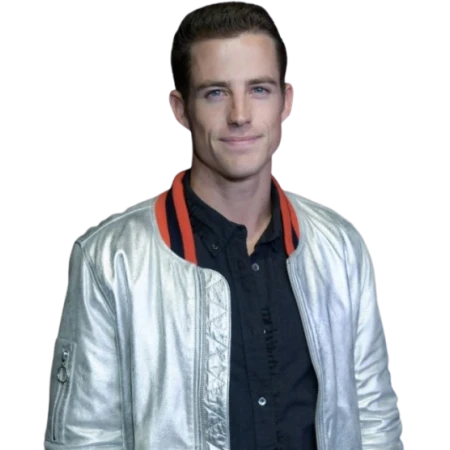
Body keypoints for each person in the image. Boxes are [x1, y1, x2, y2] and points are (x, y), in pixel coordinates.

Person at [43, 1, 404, 449]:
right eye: (216, 92)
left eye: (259, 89)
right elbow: (85, 440)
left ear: (287, 101)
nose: (239, 115)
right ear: (180, 108)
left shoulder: (340, 247)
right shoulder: (111, 261)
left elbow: (375, 422)